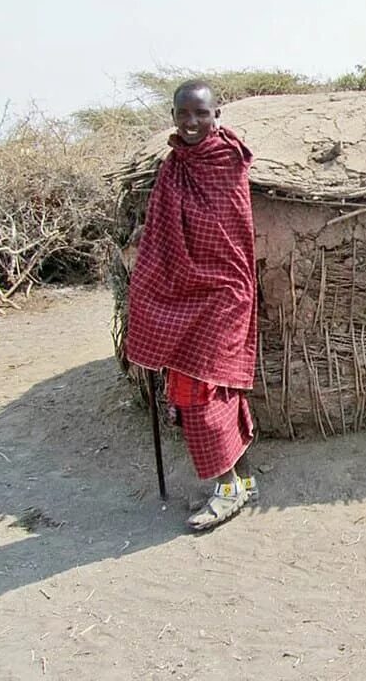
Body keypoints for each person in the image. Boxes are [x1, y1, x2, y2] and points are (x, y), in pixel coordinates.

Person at [126, 81, 259, 531]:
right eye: (183, 114)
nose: (191, 123)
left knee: (204, 391)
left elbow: (226, 235)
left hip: (224, 293)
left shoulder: (227, 162)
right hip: (187, 294)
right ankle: (238, 479)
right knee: (205, 389)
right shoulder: (173, 168)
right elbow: (162, 236)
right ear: (173, 115)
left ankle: (227, 490)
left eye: (200, 114)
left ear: (216, 114)